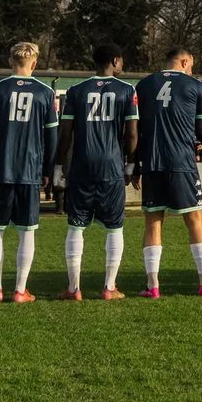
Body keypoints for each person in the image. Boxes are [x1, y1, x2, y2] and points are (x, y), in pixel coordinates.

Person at [0, 42, 58, 302]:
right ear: (33, 63)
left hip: (1, 168)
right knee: (27, 230)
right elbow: (52, 137)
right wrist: (47, 170)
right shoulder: (46, 93)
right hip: (30, 170)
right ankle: (21, 290)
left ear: (11, 62)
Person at [55, 46, 138, 300]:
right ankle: (109, 287)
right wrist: (131, 164)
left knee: (76, 227)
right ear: (115, 60)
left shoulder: (76, 91)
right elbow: (132, 133)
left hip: (81, 166)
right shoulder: (127, 90)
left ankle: (73, 289)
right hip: (111, 166)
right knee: (114, 228)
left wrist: (59, 167)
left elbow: (66, 133)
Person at [135, 48, 202, 299]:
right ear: (184, 62)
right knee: (195, 222)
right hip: (181, 162)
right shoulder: (196, 86)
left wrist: (134, 163)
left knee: (152, 222)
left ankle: (153, 286)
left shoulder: (144, 84)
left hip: (152, 161)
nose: (191, 69)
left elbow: (134, 129)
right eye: (190, 65)